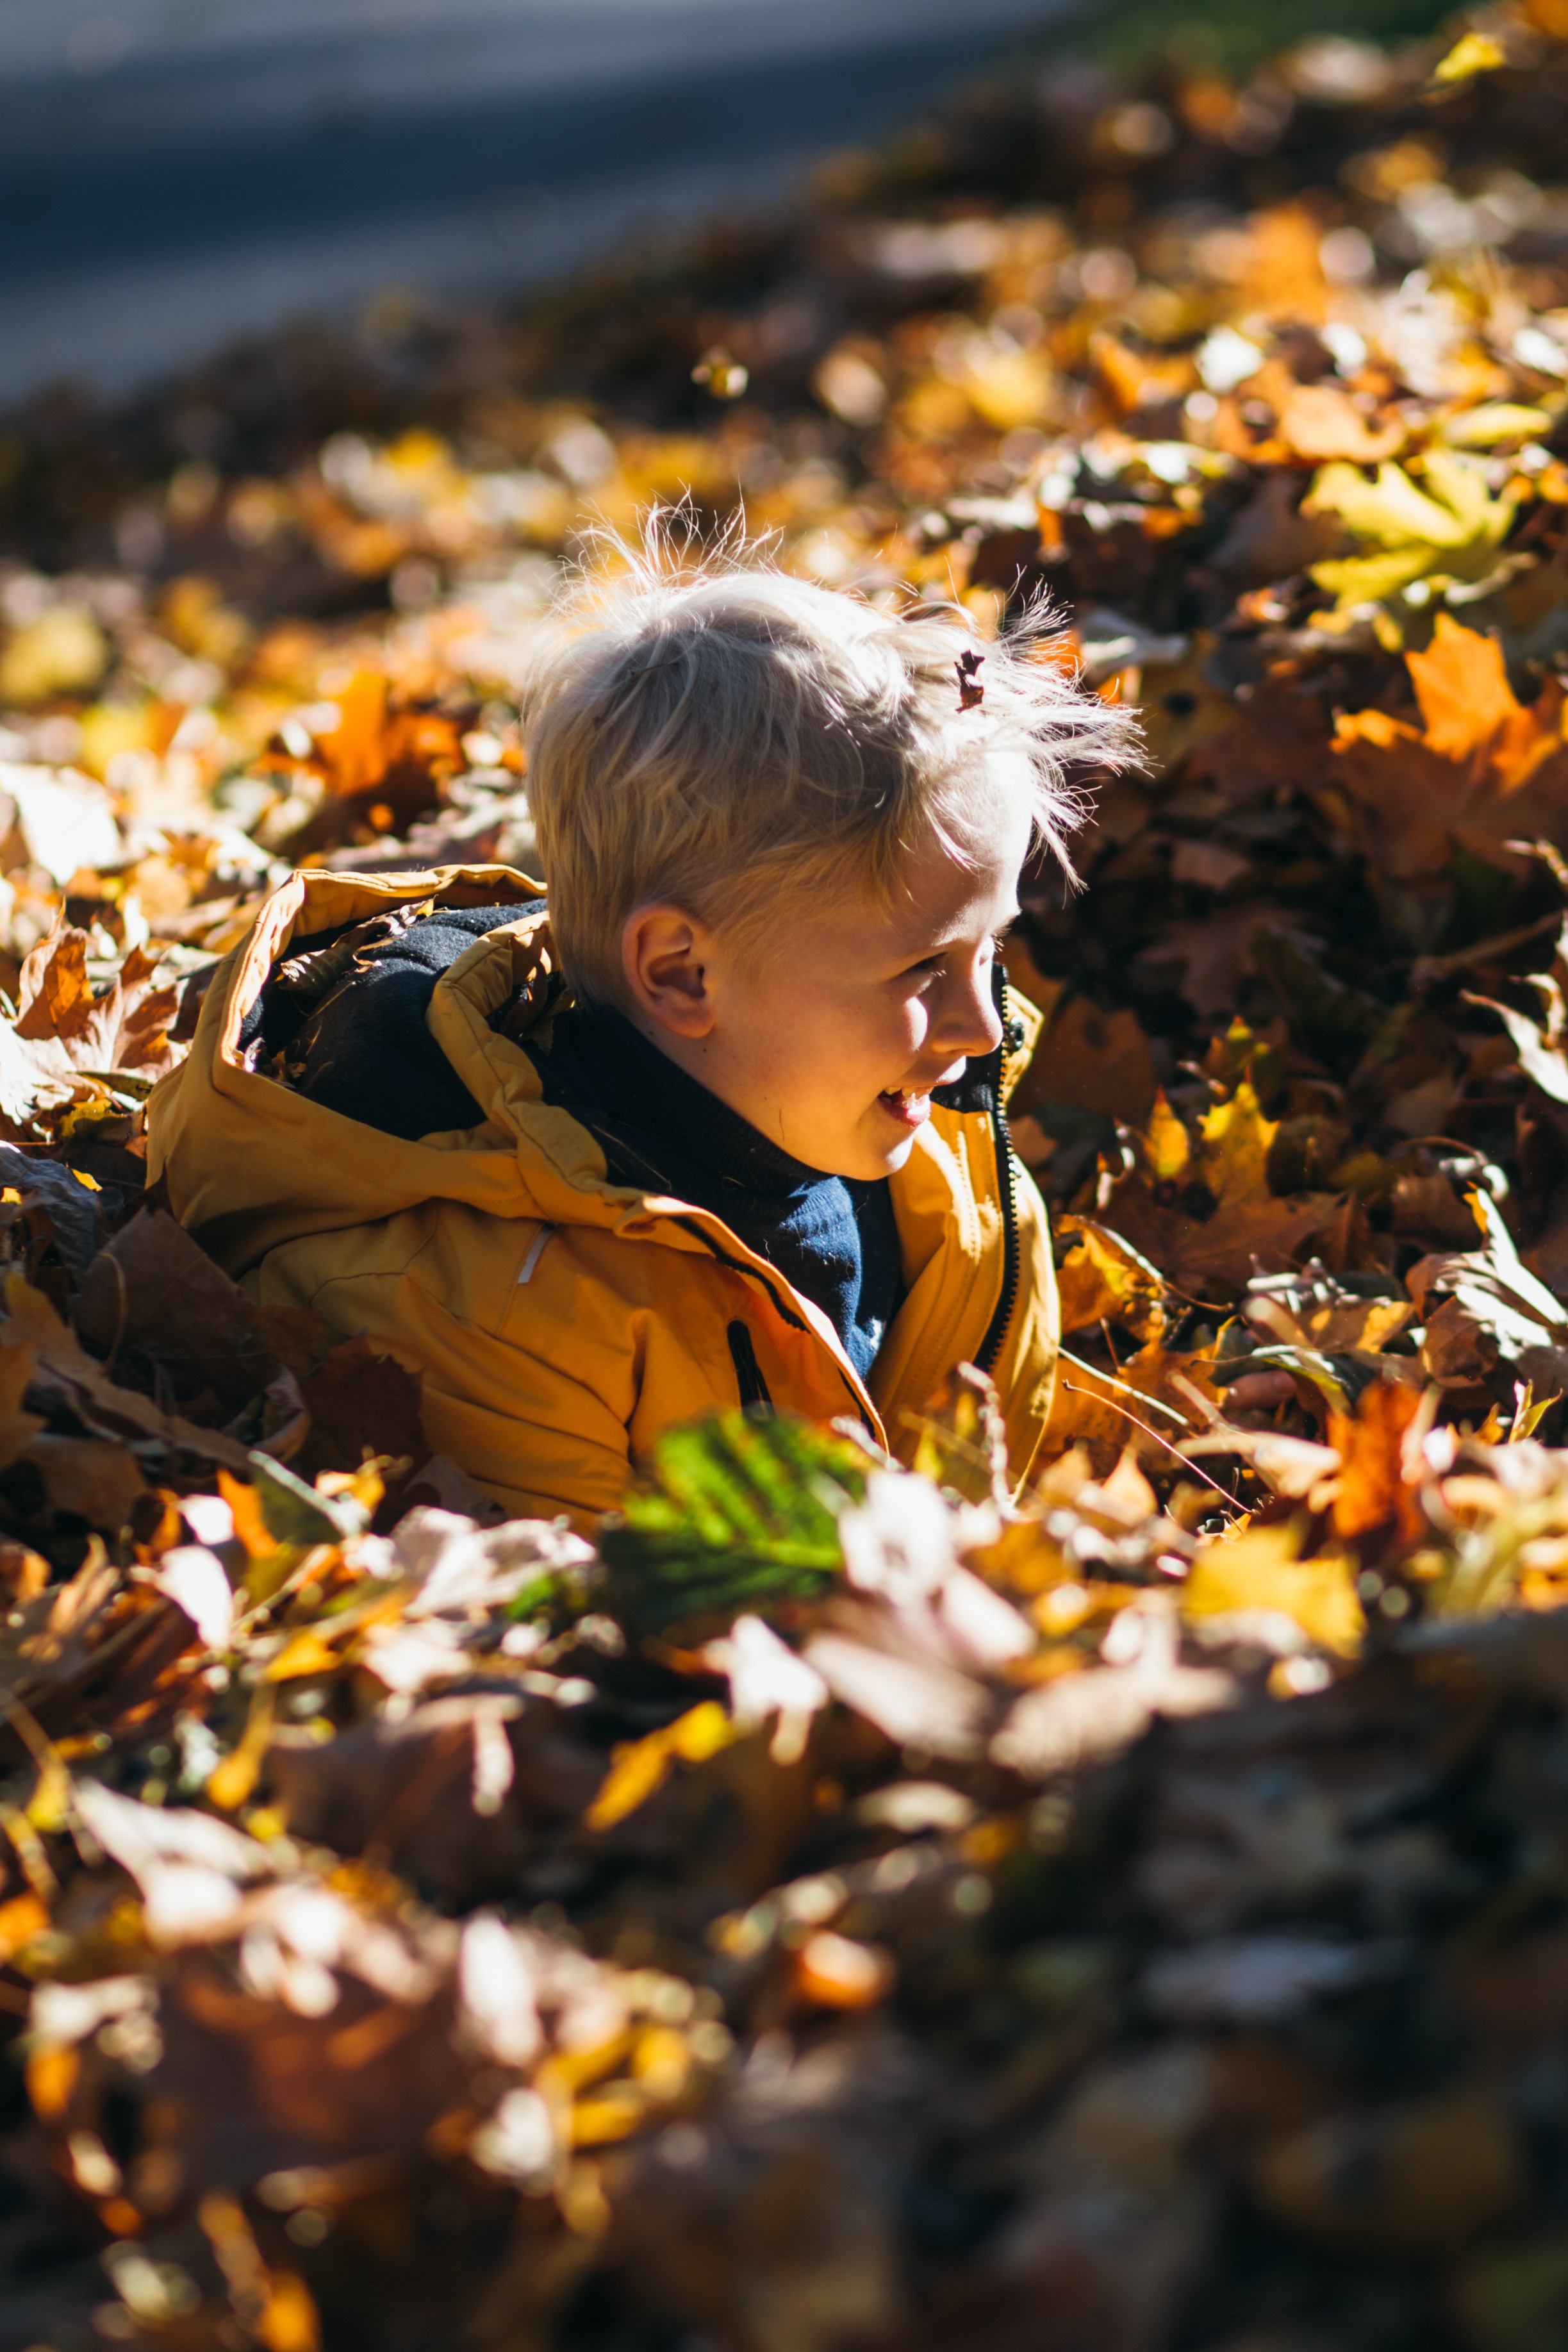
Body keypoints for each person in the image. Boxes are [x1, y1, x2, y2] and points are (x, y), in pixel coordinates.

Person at [148, 544, 1137, 1528]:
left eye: (989, 947)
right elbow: (565, 1640)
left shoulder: (940, 1160)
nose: (982, 1025)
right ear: (679, 973)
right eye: (924, 967)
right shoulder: (487, 1311)